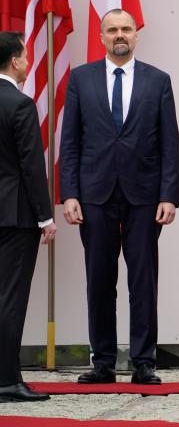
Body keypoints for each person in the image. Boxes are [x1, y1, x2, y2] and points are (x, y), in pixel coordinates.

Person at [60, 9, 179, 385]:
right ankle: (103, 362)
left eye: (126, 29)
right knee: (99, 279)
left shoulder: (158, 80)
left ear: (136, 35)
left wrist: (169, 195)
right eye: (112, 30)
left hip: (145, 195)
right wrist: (69, 194)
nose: (120, 35)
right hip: (94, 194)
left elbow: (169, 143)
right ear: (101, 36)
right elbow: (71, 142)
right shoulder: (80, 79)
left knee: (143, 279)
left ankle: (144, 362)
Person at [0, 32, 56, 402]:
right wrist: (45, 217)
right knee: (10, 298)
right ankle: (6, 380)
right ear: (16, 61)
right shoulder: (19, 104)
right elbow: (32, 168)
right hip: (14, 215)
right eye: (25, 54)